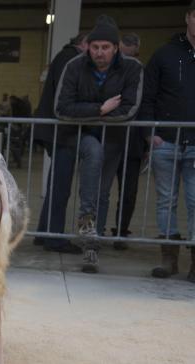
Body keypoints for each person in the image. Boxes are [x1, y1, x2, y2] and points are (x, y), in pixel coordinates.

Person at [55, 14, 143, 273]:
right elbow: (61, 108)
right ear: (88, 46)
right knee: (93, 151)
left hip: (113, 139)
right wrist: (101, 109)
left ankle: (92, 243)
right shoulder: (74, 66)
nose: (100, 52)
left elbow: (129, 109)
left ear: (116, 48)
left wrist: (92, 113)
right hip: (78, 136)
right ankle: (88, 224)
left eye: (106, 47)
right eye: (95, 47)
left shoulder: (133, 68)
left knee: (102, 191)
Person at [139, 1, 195, 282]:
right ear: (187, 17)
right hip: (167, 144)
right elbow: (147, 97)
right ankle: (168, 259)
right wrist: (151, 133)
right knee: (166, 202)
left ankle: (194, 263)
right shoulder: (164, 55)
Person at [32, 32, 88, 254]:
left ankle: (44, 232)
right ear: (83, 44)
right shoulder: (72, 60)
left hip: (53, 130)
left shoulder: (63, 56)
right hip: (62, 131)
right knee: (60, 187)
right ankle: (54, 238)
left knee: (57, 185)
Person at [110, 32, 145, 250]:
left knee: (126, 191)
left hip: (128, 141)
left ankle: (119, 231)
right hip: (118, 140)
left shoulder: (140, 73)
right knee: (120, 191)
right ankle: (117, 231)